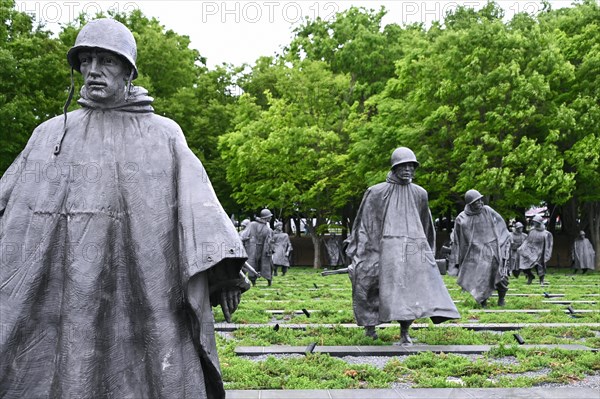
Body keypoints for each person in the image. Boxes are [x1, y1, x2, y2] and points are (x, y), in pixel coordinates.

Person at [0, 19, 249, 399]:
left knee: (153, 363)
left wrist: (225, 273)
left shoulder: (163, 134)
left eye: (107, 62)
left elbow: (198, 209)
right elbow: (11, 205)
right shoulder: (50, 134)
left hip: (147, 288)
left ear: (129, 71)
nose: (94, 71)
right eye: (86, 60)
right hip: (68, 291)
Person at [345, 147, 460, 343]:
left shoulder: (419, 193)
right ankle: (370, 328)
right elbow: (366, 224)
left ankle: (405, 332)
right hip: (380, 248)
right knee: (369, 283)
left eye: (411, 166)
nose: (408, 170)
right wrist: (363, 252)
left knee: (409, 290)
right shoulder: (376, 191)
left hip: (411, 250)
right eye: (403, 166)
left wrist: (426, 253)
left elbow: (426, 225)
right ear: (394, 167)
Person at [450, 190, 511, 307]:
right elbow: (458, 239)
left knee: (499, 274)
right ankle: (483, 301)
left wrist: (502, 242)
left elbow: (501, 225)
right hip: (474, 251)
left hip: (492, 248)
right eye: (475, 201)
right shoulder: (461, 218)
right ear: (470, 204)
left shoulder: (487, 210)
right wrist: (459, 258)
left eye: (479, 200)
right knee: (480, 277)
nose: (479, 203)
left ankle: (501, 298)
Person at [241, 208, 274, 286]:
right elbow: (243, 235)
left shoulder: (268, 228)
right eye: (270, 217)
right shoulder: (252, 224)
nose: (271, 218)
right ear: (266, 217)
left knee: (268, 265)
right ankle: (253, 281)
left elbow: (270, 240)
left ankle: (269, 280)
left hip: (264, 249)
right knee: (253, 264)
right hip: (253, 249)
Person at [518, 214, 554, 285]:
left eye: (536, 222)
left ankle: (541, 280)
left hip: (540, 252)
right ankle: (530, 276)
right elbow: (527, 241)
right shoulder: (532, 231)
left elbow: (548, 245)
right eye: (534, 222)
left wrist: (546, 254)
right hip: (531, 252)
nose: (534, 223)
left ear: (539, 223)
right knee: (523, 265)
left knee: (539, 266)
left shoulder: (546, 233)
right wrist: (522, 248)